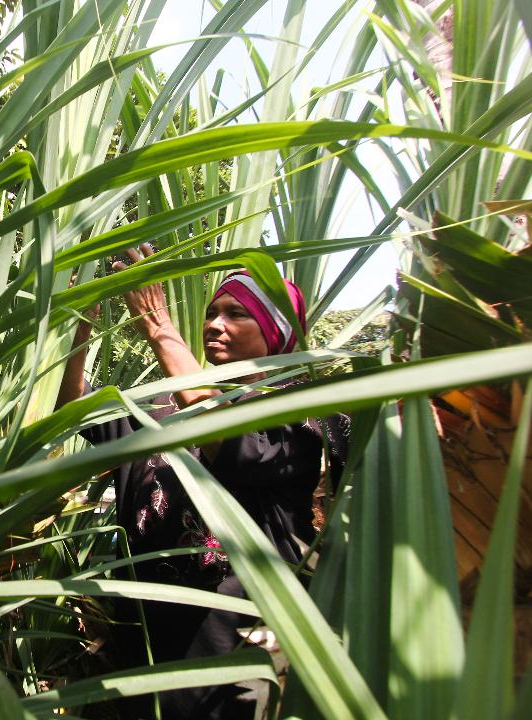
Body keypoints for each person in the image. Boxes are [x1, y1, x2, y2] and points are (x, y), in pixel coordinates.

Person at [57, 244, 349, 719]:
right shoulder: (165, 407)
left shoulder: (302, 412)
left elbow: (231, 442)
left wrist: (160, 328)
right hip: (141, 654)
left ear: (276, 329)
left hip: (230, 662)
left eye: (237, 314)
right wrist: (78, 325)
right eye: (212, 313)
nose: (215, 324)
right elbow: (76, 408)